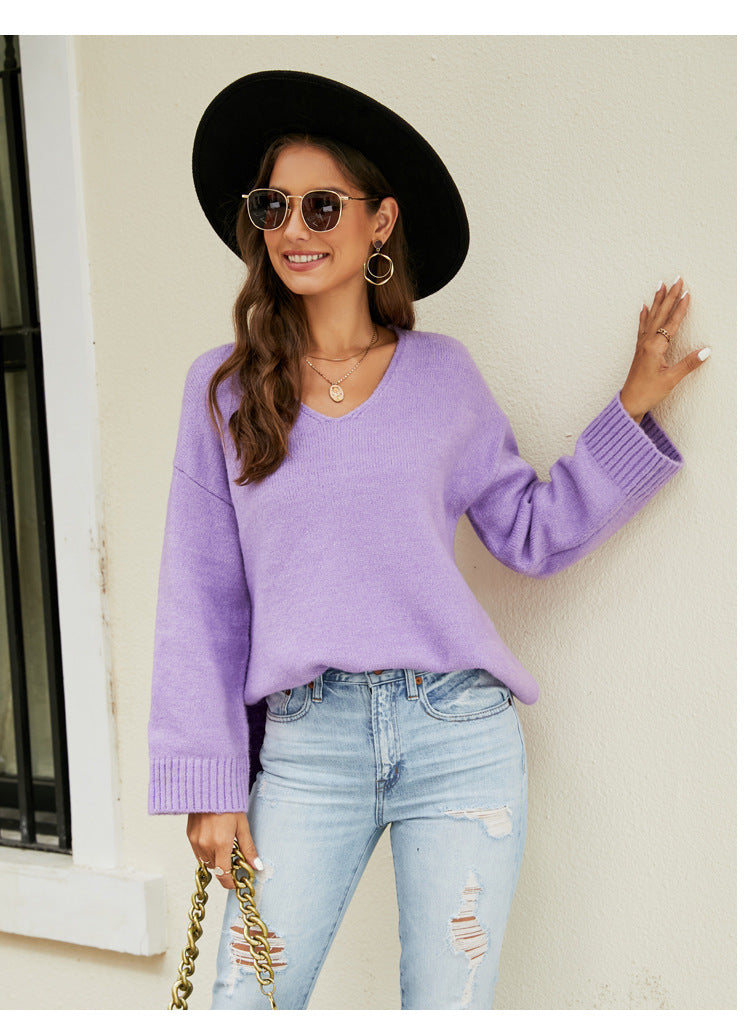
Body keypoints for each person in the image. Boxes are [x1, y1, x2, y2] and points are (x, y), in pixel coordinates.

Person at [147, 70, 710, 1010]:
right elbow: (199, 597)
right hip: (307, 747)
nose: (293, 228)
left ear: (381, 222)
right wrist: (211, 781)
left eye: (323, 205)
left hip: (457, 736)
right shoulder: (227, 390)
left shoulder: (442, 377)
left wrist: (632, 406)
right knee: (245, 1004)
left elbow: (529, 532)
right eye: (273, 206)